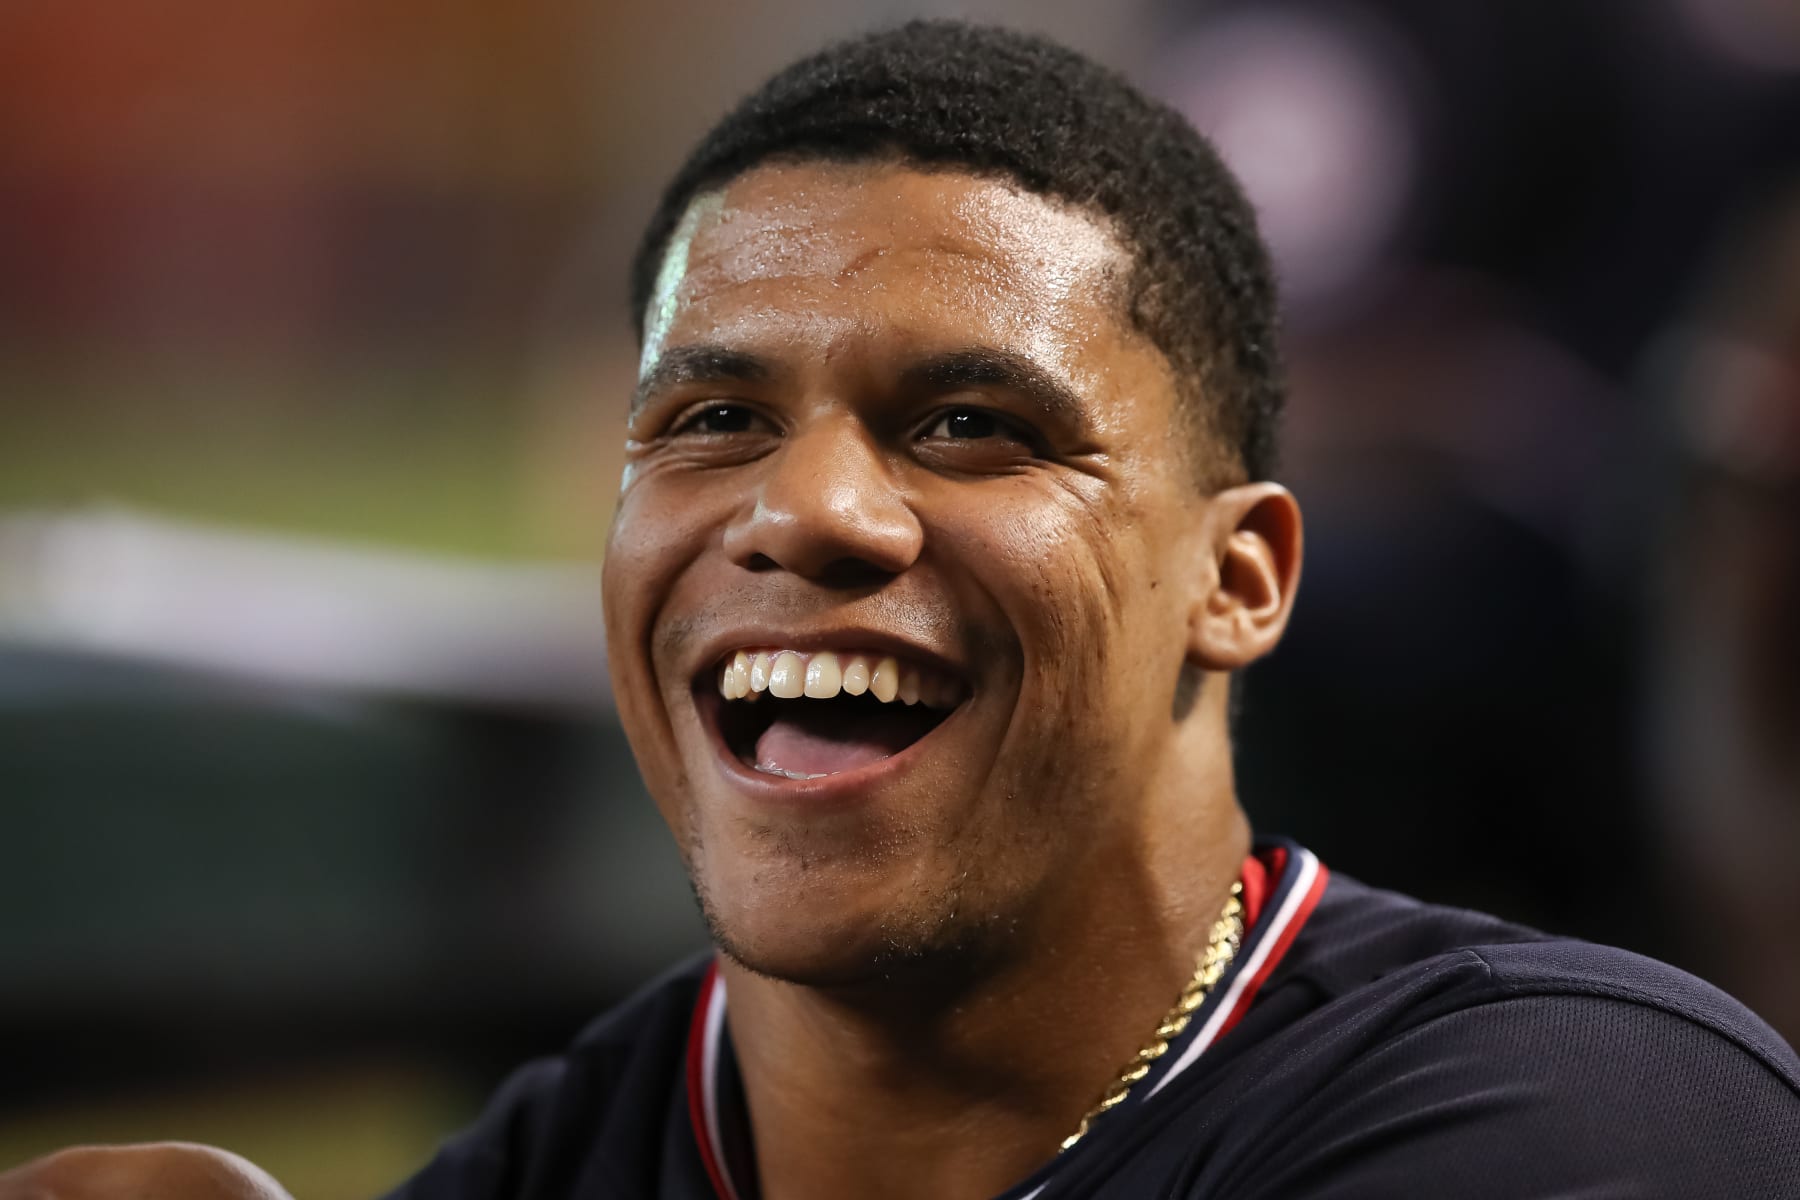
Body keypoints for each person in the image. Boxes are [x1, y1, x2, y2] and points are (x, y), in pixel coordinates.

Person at [6, 20, 1798, 1200]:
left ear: (1236, 578)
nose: (809, 511)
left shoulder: (1581, 1121)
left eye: (971, 425)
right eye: (711, 421)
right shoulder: (592, 1144)